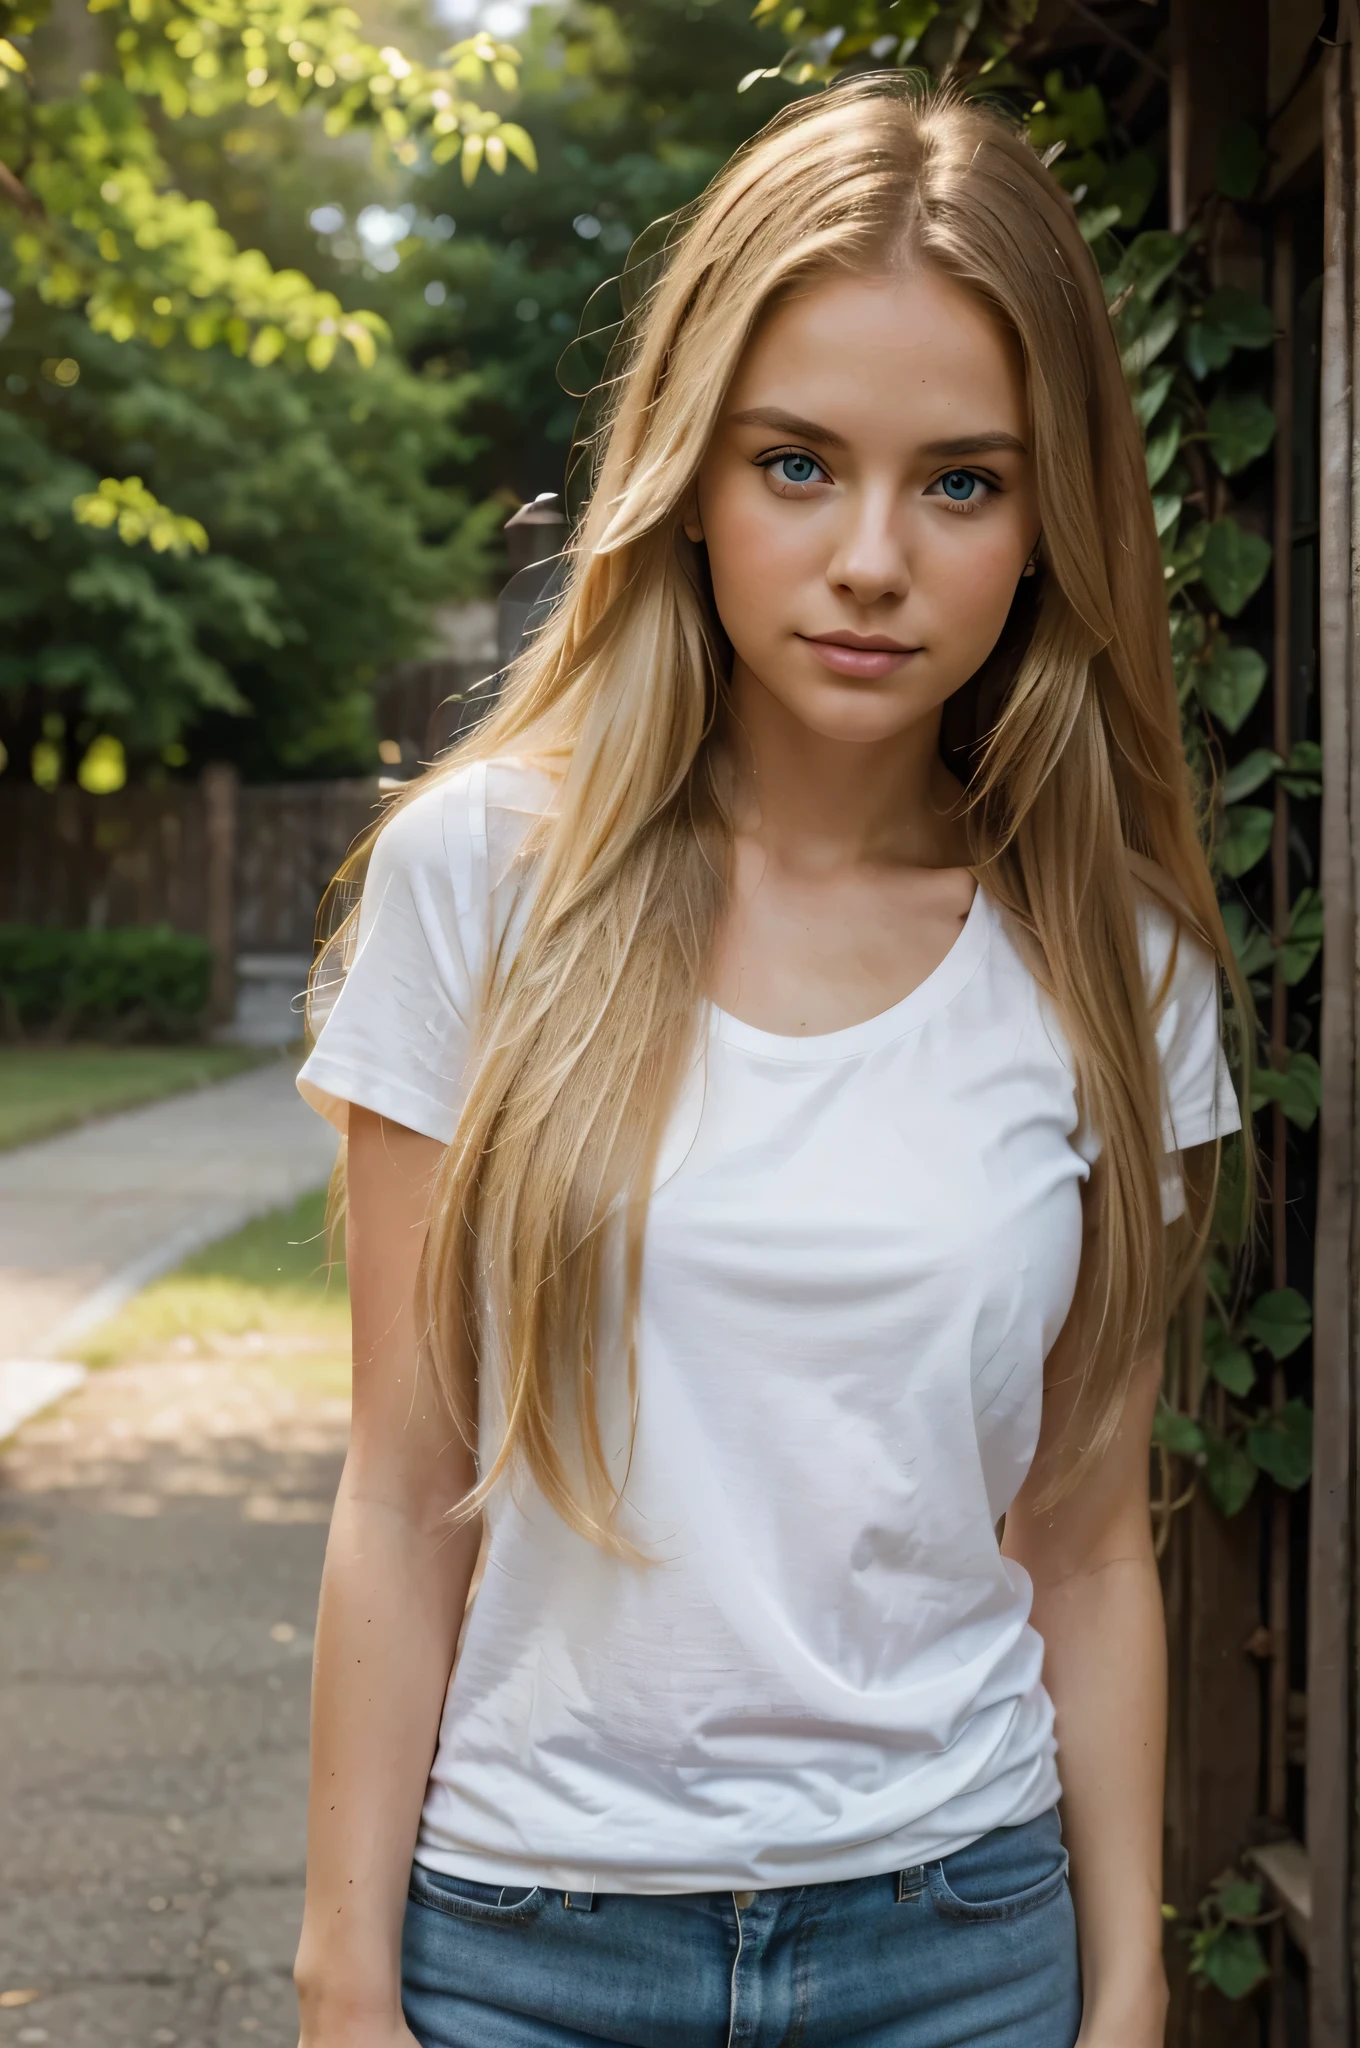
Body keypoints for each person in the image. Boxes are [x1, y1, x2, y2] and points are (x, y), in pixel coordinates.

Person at [293, 77, 1242, 2048]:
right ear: (686, 470)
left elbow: (1080, 1534)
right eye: (796, 464)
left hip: (961, 1947)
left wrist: (1130, 1980)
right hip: (521, 1952)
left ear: (1048, 512)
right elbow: (401, 1485)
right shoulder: (479, 887)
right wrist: (341, 1981)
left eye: (960, 481)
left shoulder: (1112, 962)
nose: (871, 558)